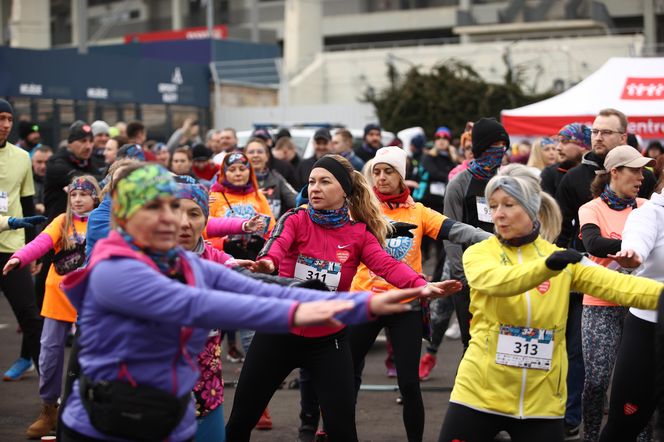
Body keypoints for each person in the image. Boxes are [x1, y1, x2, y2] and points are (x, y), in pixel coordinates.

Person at [57, 163, 425, 442]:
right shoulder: (115, 270)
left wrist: (369, 302)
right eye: (154, 208)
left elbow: (257, 286)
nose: (172, 219)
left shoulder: (181, 261)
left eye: (176, 207)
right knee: (241, 421)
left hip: (167, 413)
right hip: (103, 422)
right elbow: (216, 305)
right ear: (126, 217)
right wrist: (349, 308)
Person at [226, 155, 461, 442]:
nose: (315, 188)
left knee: (343, 431)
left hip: (328, 340)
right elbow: (277, 245)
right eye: (312, 181)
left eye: (325, 182)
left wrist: (421, 286)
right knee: (239, 422)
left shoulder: (358, 234)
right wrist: (267, 263)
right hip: (278, 331)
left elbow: (388, 265)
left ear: (345, 191)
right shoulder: (296, 219)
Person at [436, 172, 664, 442]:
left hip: (541, 402)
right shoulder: (480, 253)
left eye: (509, 205)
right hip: (478, 394)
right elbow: (497, 282)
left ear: (532, 209)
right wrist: (545, 268)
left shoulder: (559, 259)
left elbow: (622, 287)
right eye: (493, 206)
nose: (498, 214)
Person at [349, 146, 488, 441]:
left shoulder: (419, 212)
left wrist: (494, 238)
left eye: (389, 171)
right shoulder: (360, 209)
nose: (382, 177)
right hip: (365, 300)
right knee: (344, 374)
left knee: (410, 384)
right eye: (377, 171)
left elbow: (457, 230)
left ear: (402, 176)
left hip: (406, 305)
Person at [4, 175, 101, 438]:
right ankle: (49, 410)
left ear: (96, 197)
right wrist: (18, 258)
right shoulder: (61, 221)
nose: (78, 200)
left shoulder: (104, 222)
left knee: (89, 360)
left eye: (84, 194)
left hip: (91, 302)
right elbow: (41, 243)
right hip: (58, 298)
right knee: (48, 356)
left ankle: (86, 413)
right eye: (74, 195)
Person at [576, 145, 654, 442]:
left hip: (638, 305)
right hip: (601, 304)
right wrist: (629, 249)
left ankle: (643, 437)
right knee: (596, 382)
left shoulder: (647, 207)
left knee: (640, 383)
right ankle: (591, 436)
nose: (641, 176)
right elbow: (594, 243)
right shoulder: (592, 208)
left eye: (643, 171)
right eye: (634, 170)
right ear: (615, 173)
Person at [443, 117, 510, 349]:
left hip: (503, 274)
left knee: (501, 341)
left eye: (503, 146)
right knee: (472, 342)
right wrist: (461, 276)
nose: (499, 151)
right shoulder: (459, 184)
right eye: (494, 147)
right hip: (469, 276)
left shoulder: (506, 181)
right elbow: (449, 230)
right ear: (481, 148)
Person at [0, 99, 45, 383]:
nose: (4, 124)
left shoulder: (22, 157)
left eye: (8, 118)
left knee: (31, 317)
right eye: (0, 118)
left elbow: (28, 206)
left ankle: (49, 396)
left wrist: (33, 251)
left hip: (13, 250)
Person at [208, 152, 275, 260]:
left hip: (254, 260)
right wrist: (223, 245)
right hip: (222, 260)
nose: (238, 173)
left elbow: (272, 232)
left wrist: (263, 244)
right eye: (232, 170)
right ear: (224, 173)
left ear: (250, 172)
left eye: (242, 169)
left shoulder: (258, 196)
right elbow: (202, 236)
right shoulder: (213, 197)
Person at [85, 159, 141, 261]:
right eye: (117, 181)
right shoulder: (98, 217)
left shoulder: (144, 211)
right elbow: (125, 243)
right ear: (111, 185)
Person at [245, 137, 297, 219]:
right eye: (251, 152)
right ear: (245, 157)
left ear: (267, 156)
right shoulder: (238, 179)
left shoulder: (277, 178)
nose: (255, 155)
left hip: (273, 229)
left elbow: (295, 199)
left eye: (260, 152)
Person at [540, 123, 591, 197]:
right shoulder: (550, 173)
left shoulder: (598, 172)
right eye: (558, 142)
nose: (558, 148)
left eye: (564, 141)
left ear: (583, 146)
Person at [32, 145, 53, 215]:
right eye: (39, 162)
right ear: (32, 162)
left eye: (47, 162)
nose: (43, 166)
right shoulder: (23, 181)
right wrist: (33, 206)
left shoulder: (60, 183)